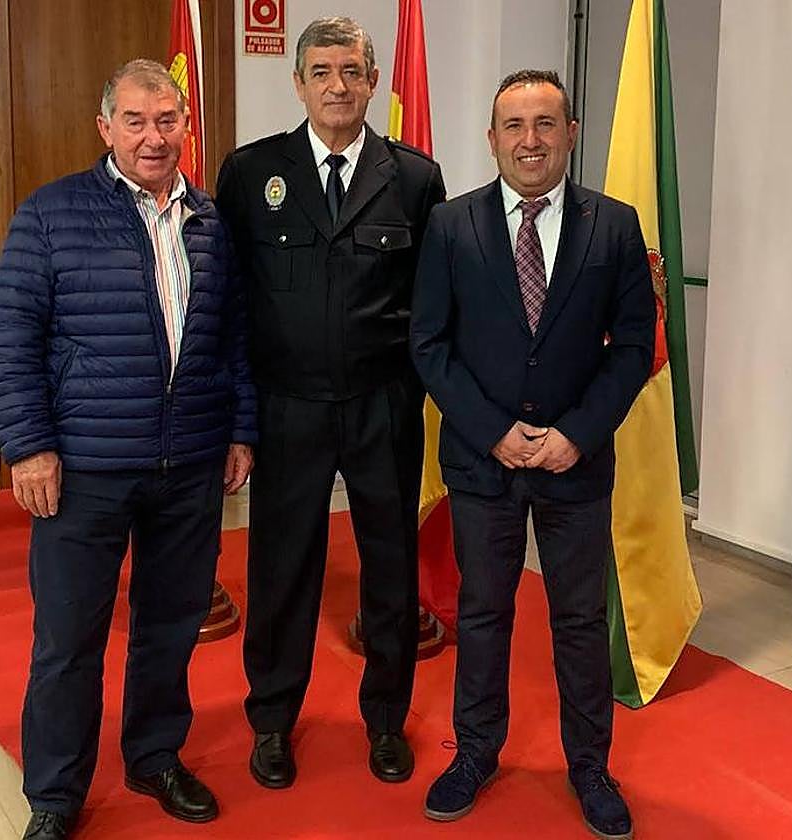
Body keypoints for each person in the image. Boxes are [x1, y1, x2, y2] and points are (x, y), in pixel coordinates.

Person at [0, 59, 256, 840]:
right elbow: (8, 337)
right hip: (86, 470)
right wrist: (28, 446)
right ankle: (56, 797)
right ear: (105, 129)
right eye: (134, 121)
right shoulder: (51, 214)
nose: (153, 136)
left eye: (167, 120)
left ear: (185, 128)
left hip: (191, 463)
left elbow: (235, 337)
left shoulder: (209, 221)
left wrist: (241, 428)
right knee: (69, 638)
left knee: (170, 624)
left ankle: (154, 756)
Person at [410, 70, 654, 839]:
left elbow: (634, 349)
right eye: (513, 125)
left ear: (571, 133)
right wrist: (492, 430)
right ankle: (475, 753)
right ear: (491, 140)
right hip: (484, 463)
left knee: (579, 620)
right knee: (483, 614)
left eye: (546, 123)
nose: (530, 140)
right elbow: (430, 344)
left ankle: (589, 766)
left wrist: (577, 434)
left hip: (575, 466)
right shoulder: (451, 226)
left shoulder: (614, 226)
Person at [214, 17, 445, 789]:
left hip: (383, 406)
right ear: (300, 83)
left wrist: (410, 393)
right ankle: (273, 722)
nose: (337, 86)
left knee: (390, 567)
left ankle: (384, 719)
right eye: (321, 71)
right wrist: (239, 415)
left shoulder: (413, 177)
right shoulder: (252, 173)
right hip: (287, 408)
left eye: (351, 70)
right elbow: (232, 302)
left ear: (373, 81)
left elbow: (429, 305)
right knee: (282, 570)